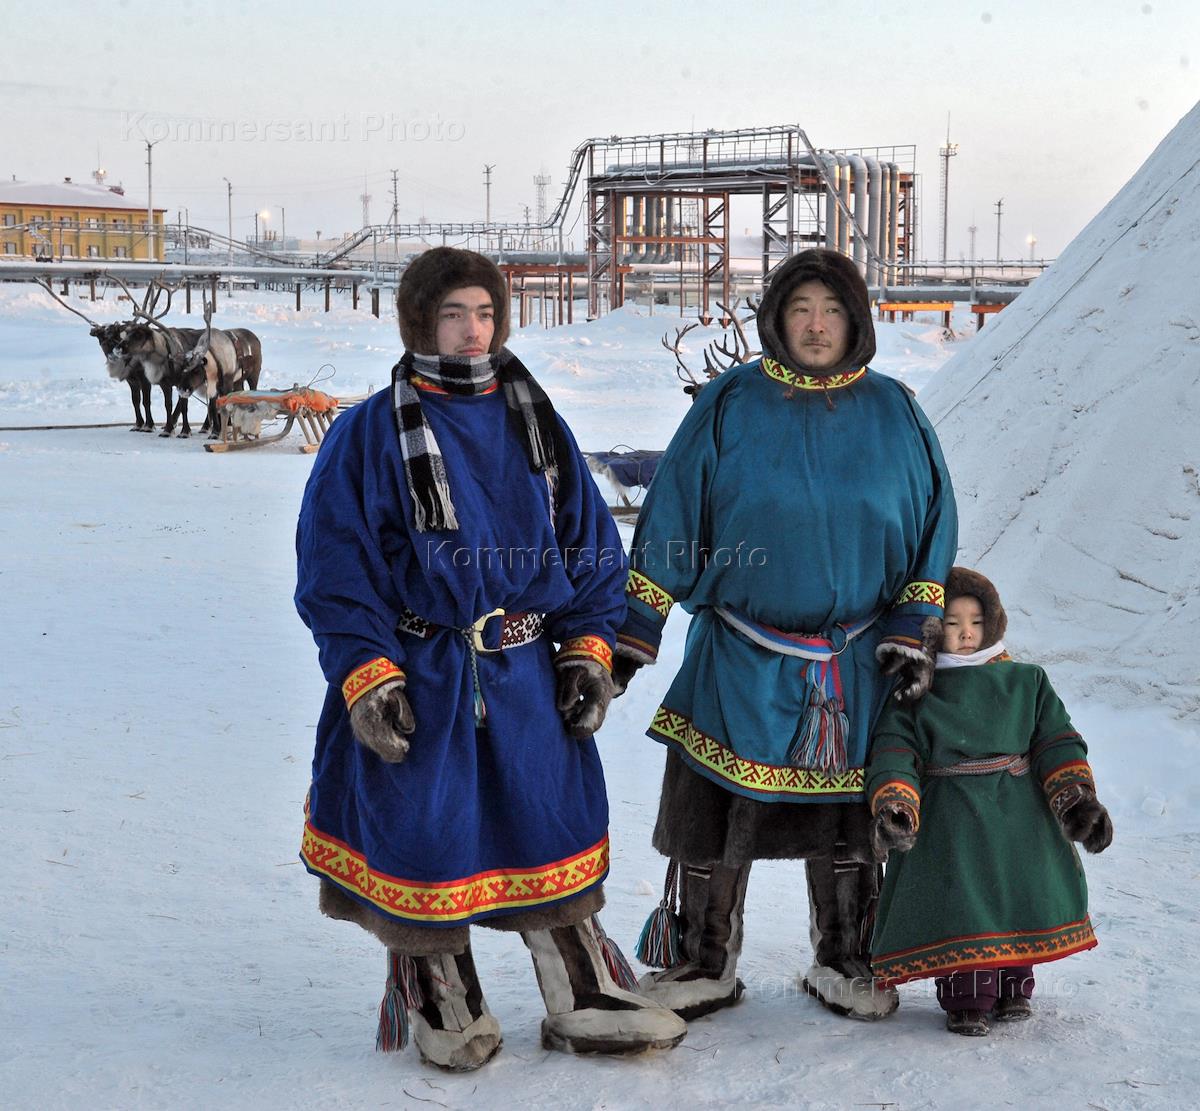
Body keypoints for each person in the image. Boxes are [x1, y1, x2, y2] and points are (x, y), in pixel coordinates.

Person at [294, 247, 686, 1070]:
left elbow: (589, 547)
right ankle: (443, 996)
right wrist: (367, 676)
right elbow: (338, 567)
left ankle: (583, 988)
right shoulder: (368, 433)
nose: (473, 331)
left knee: (548, 818)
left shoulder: (535, 418)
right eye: (452, 315)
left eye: (484, 314)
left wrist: (585, 651)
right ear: (418, 323)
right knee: (429, 834)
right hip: (423, 667)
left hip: (521, 670)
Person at [614, 248, 958, 1022]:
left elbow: (936, 519)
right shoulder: (730, 402)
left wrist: (915, 623)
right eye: (800, 307)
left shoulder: (896, 410)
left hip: (853, 664)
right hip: (738, 653)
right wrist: (634, 631)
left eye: (832, 310)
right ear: (776, 316)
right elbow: (673, 515)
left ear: (856, 321)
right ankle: (704, 958)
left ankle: (845, 956)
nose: (815, 324)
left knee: (845, 824)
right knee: (712, 816)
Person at [866, 566, 1113, 1035]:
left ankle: (1014, 989)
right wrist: (897, 801)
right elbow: (895, 749)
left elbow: (1055, 742)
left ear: (993, 624)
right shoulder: (917, 691)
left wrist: (1076, 801)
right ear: (932, 630)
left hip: (1019, 815)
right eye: (952, 621)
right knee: (963, 903)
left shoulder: (1027, 681)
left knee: (1014, 897)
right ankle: (968, 999)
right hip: (950, 818)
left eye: (975, 621)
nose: (964, 632)